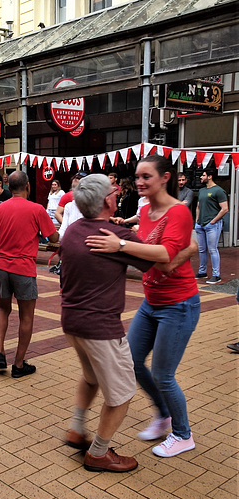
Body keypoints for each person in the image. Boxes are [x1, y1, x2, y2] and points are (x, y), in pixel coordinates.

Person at [86, 155, 200, 458]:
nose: (139, 182)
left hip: (179, 304)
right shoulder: (146, 210)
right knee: (133, 363)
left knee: (164, 374)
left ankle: (182, 434)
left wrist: (121, 246)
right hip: (152, 302)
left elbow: (162, 254)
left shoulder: (178, 212)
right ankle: (163, 415)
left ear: (165, 178)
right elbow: (157, 254)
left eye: (146, 176)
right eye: (137, 176)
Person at [61, 174, 154, 473]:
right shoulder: (115, 236)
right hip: (101, 327)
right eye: (114, 191)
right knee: (122, 393)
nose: (118, 193)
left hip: (72, 321)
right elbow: (153, 262)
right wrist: (127, 242)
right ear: (108, 200)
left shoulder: (72, 231)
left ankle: (77, 429)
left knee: (91, 377)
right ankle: (99, 453)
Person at [0, 171, 59, 377]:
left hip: (1, 266)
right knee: (26, 315)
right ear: (27, 187)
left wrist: (5, 243)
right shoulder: (36, 209)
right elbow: (52, 237)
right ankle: (18, 364)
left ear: (9, 187)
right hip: (24, 268)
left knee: (2, 308)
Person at [195, 168, 228, 284]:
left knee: (213, 249)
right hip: (201, 224)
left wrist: (213, 221)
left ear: (209, 177)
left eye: (203, 175)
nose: (201, 177)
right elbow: (198, 206)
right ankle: (202, 272)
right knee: (202, 249)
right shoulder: (202, 191)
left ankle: (216, 275)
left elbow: (225, 209)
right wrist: (197, 221)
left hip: (212, 225)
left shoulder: (219, 191)